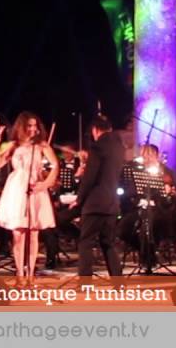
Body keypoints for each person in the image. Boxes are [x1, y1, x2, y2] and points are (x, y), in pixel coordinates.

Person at [0, 112, 59, 283]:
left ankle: (30, 274)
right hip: (16, 189)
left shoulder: (42, 145)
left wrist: (46, 184)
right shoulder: (13, 145)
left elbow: (55, 165)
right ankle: (19, 274)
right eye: (29, 125)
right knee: (18, 233)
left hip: (36, 187)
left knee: (33, 234)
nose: (33, 129)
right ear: (22, 126)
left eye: (35, 125)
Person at [69, 116, 124, 276]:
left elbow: (90, 179)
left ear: (95, 130)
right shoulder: (119, 147)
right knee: (108, 243)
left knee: (85, 242)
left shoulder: (98, 146)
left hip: (95, 203)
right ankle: (118, 282)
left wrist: (79, 199)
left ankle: (85, 283)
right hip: (112, 203)